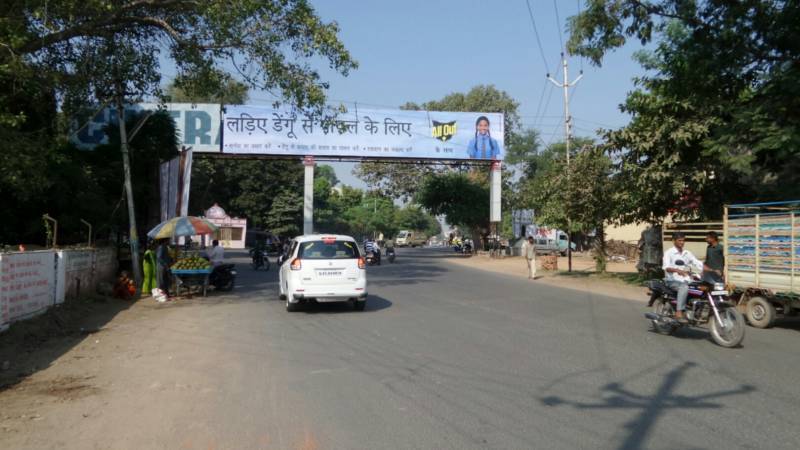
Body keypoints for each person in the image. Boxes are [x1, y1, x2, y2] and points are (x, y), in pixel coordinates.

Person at [662, 232, 703, 322]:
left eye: (683, 240)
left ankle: (696, 310)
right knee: (683, 287)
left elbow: (696, 262)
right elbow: (666, 267)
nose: (682, 242)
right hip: (672, 280)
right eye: (680, 240)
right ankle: (679, 312)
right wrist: (678, 271)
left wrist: (711, 270)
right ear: (674, 241)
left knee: (701, 287)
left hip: (686, 280)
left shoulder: (687, 253)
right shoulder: (669, 253)